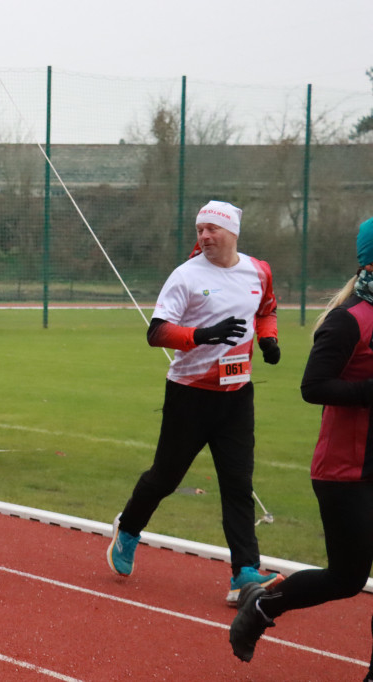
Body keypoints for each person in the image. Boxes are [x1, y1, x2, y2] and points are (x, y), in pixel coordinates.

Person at [106, 200, 283, 605]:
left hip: (237, 396)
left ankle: (245, 574)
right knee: (165, 478)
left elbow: (266, 311)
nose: (204, 236)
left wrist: (269, 339)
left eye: (212, 230)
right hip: (189, 394)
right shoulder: (186, 276)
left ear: (232, 232)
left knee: (238, 485)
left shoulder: (259, 270)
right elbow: (156, 333)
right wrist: (202, 334)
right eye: (200, 229)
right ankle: (129, 528)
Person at [230, 216, 373, 674]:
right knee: (348, 578)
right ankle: (263, 606)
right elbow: (314, 387)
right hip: (347, 471)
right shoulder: (350, 319)